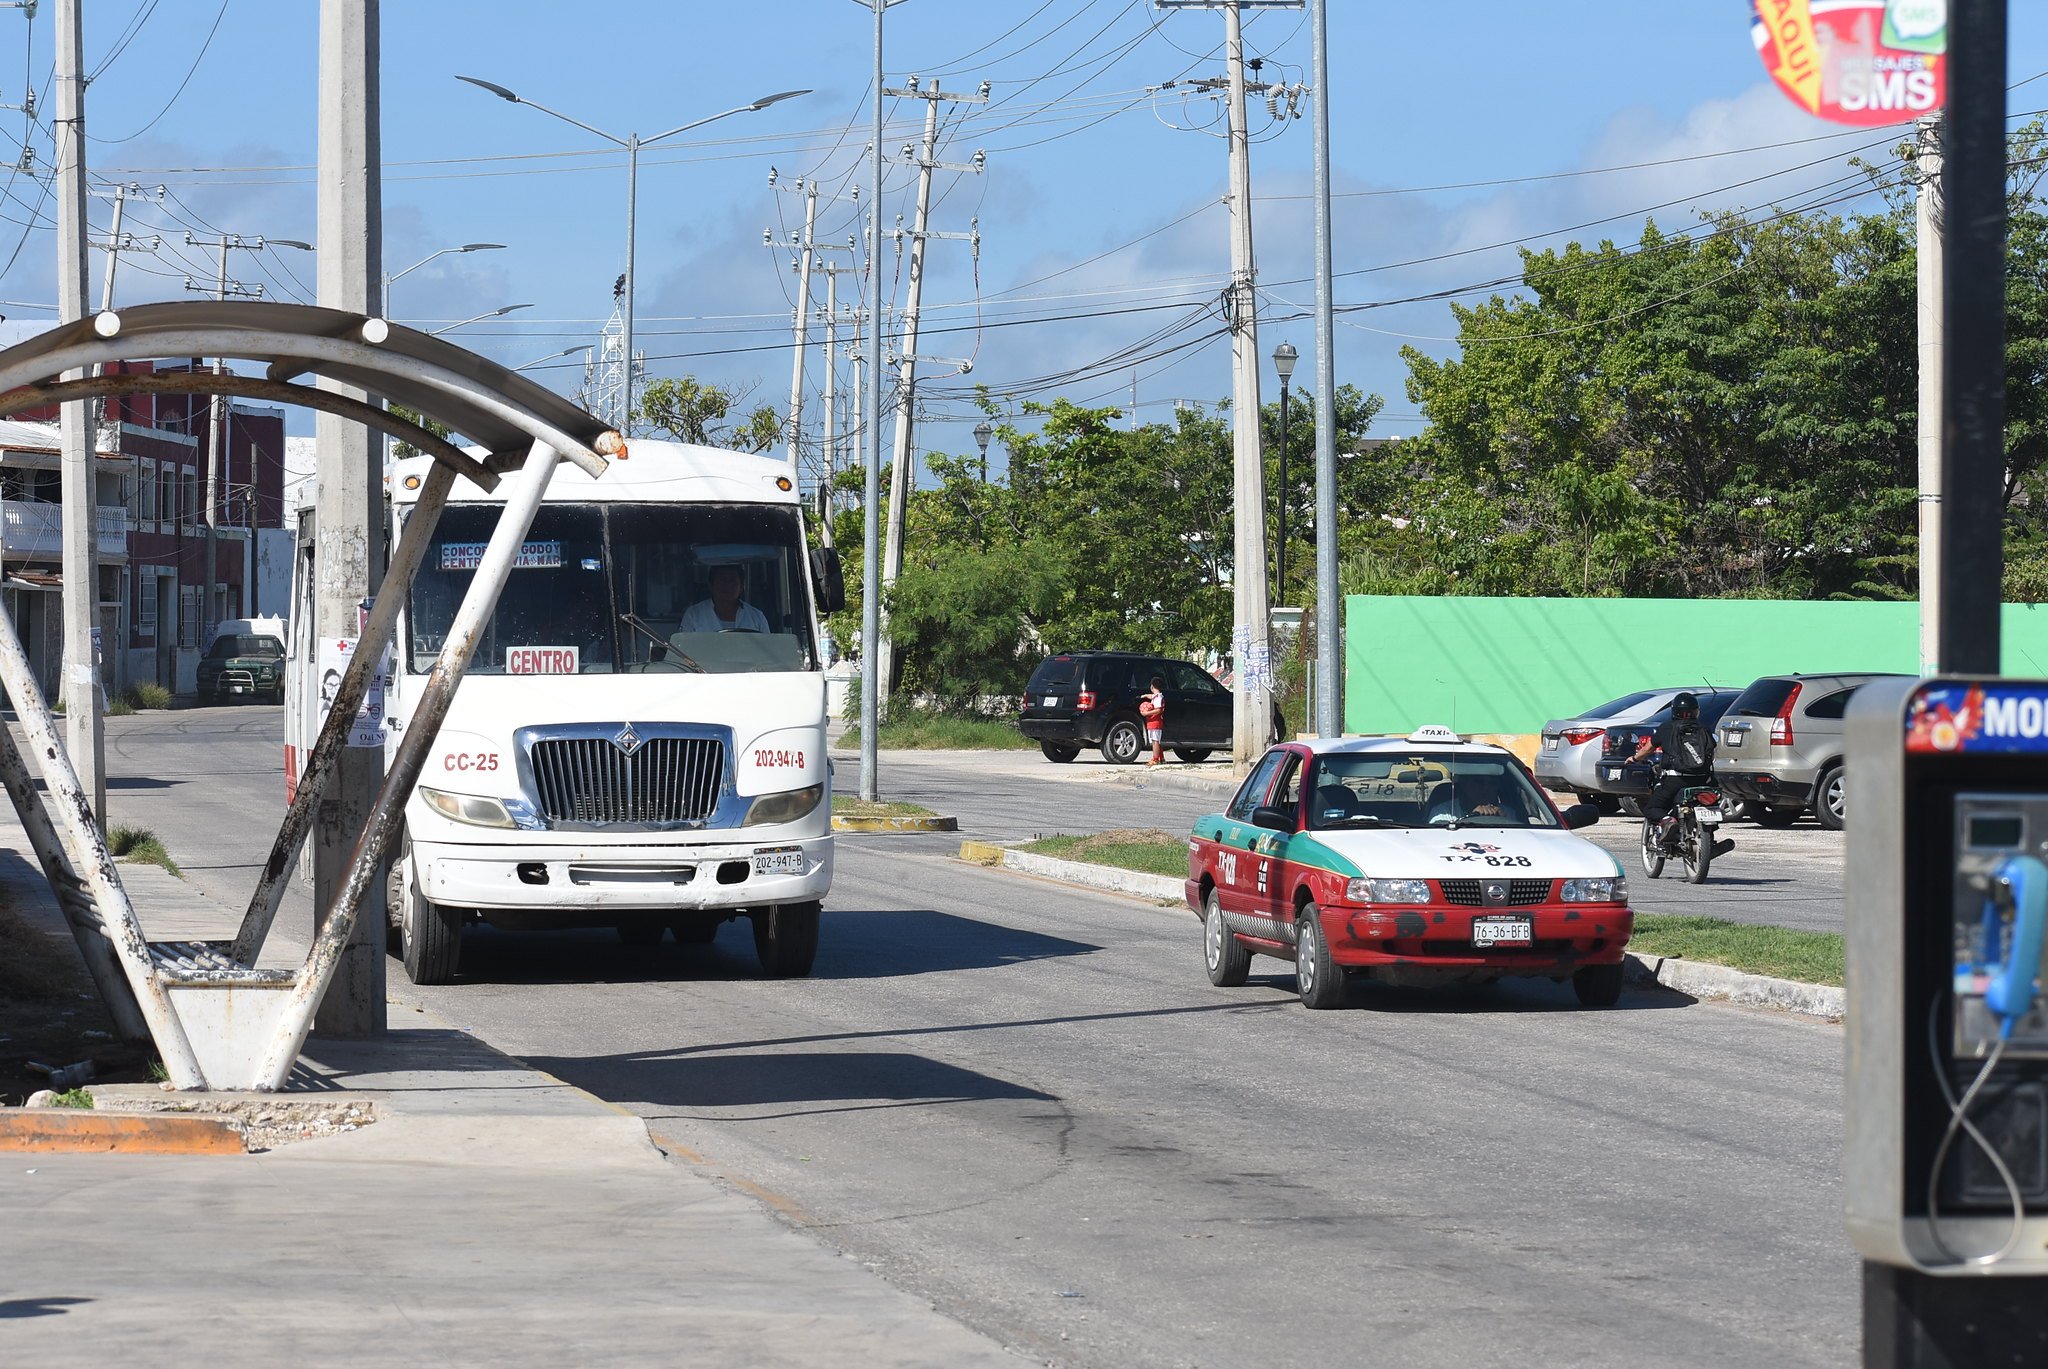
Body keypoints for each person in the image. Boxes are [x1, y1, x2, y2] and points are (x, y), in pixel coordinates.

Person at [1634, 691, 1714, 850]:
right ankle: (1709, 839)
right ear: (1696, 711)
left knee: (1652, 808)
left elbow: (1648, 749)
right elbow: (1712, 750)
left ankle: (1668, 821)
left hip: (1675, 779)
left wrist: (1635, 759)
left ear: (1674, 711)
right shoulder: (1703, 728)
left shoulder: (1666, 728)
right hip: (1702, 779)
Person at [678, 564, 770, 634]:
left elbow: (768, 651)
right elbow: (683, 652)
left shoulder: (757, 617)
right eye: (723, 580)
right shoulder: (693, 615)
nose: (728, 586)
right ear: (711, 585)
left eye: (732, 580)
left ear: (741, 587)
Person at [1138, 675, 1167, 765]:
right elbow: (1151, 696)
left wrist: (1146, 714)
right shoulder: (1156, 696)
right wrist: (1144, 696)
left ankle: (1155, 759)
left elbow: (1159, 710)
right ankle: (1161, 758)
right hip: (1152, 722)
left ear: (1152, 686)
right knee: (1156, 741)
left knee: (1155, 741)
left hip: (1156, 722)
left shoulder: (1158, 698)